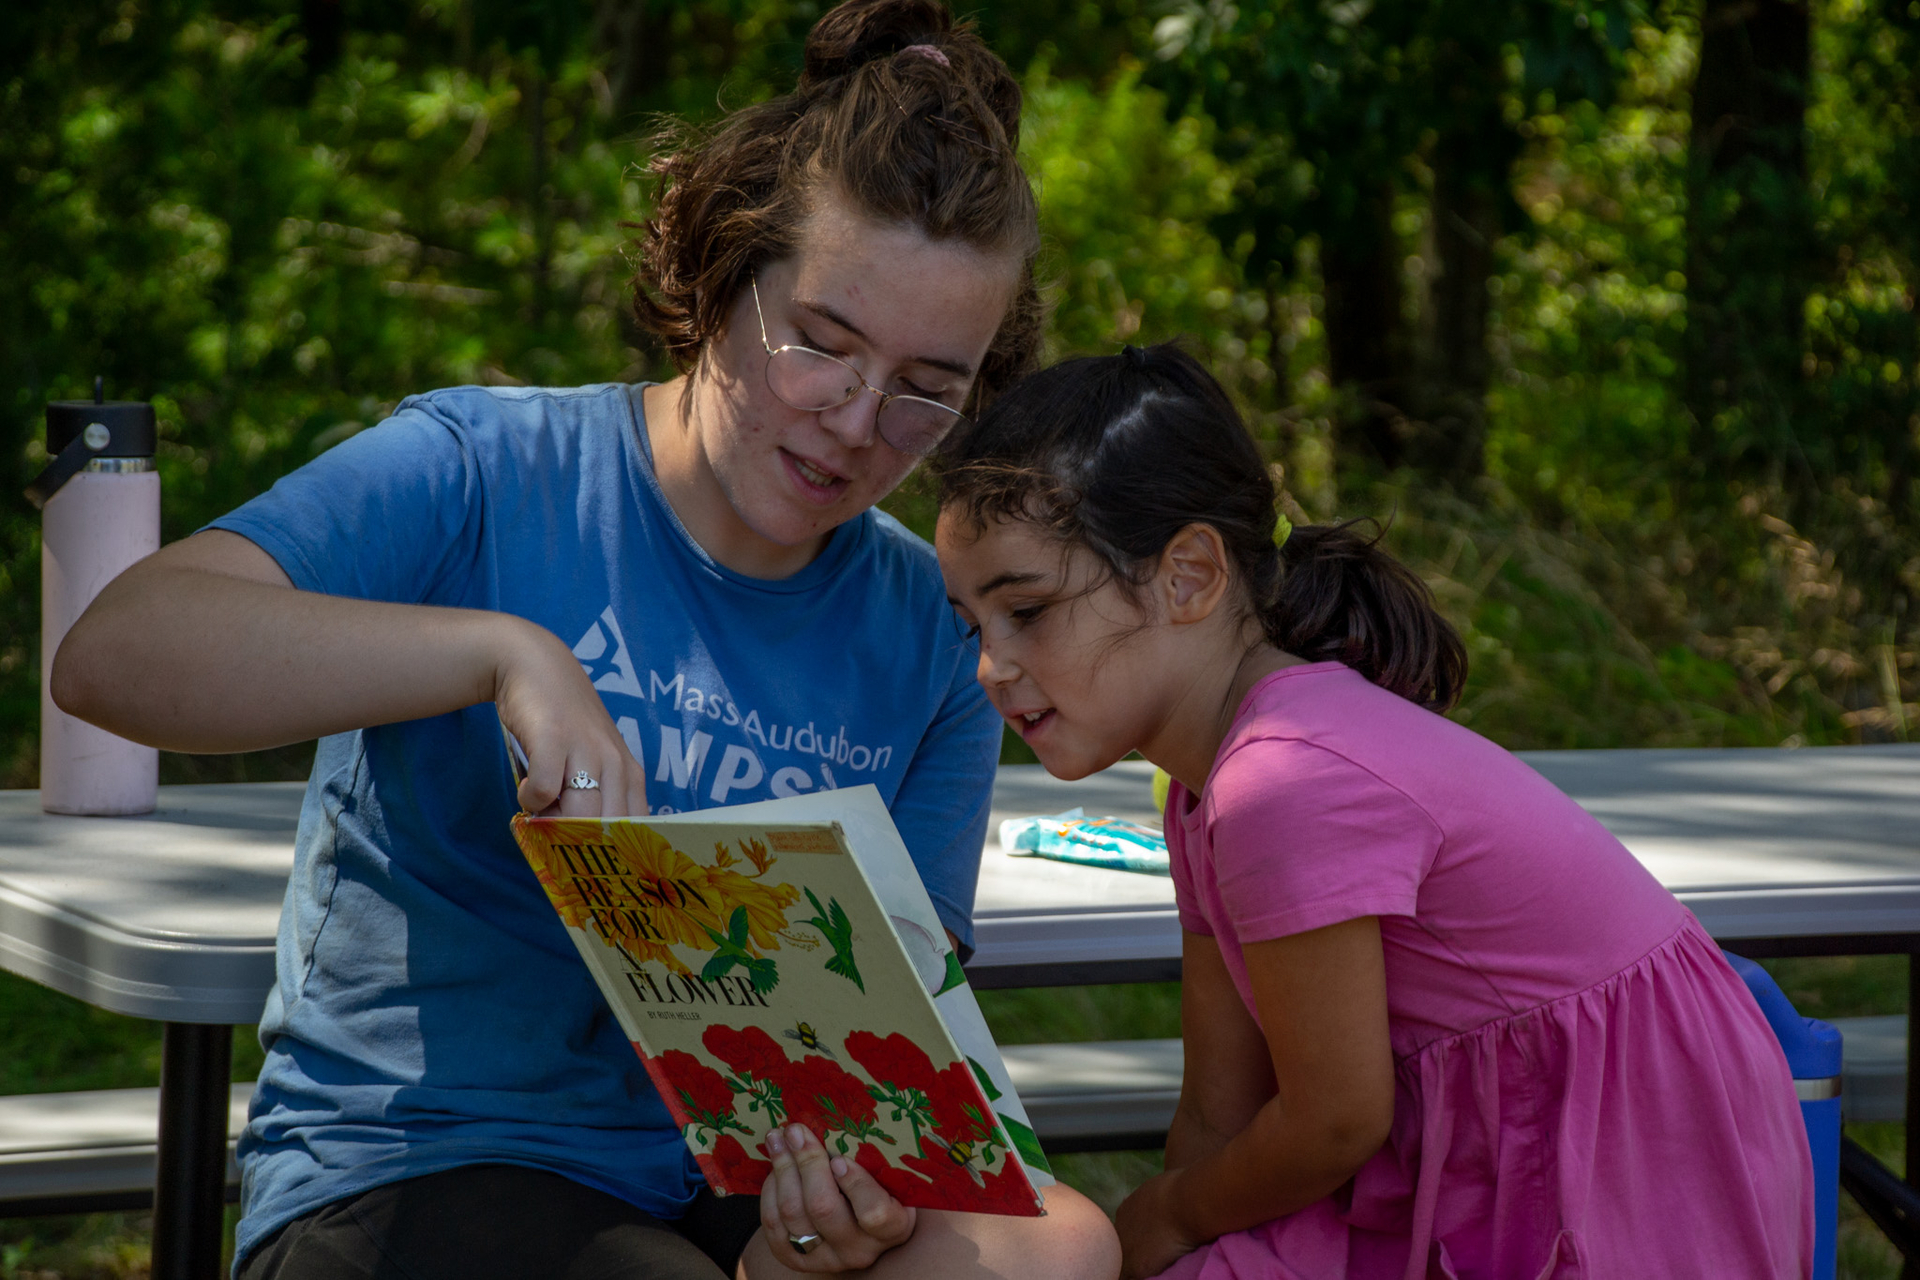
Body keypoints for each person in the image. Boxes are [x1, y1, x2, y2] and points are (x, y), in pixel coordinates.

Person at [51, 3, 1120, 1277]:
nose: (856, 421)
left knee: (1060, 1246)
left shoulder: (931, 627)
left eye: (927, 388)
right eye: (822, 345)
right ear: (727, 274)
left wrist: (823, 1229)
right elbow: (117, 651)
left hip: (734, 1178)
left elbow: (900, 1028)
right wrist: (505, 653)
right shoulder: (486, 470)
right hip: (424, 1164)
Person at [932, 343, 1813, 1279]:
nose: (992, 666)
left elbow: (1338, 1118)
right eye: (970, 624)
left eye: (1026, 610)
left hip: (1615, 1168)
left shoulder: (1284, 783)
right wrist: (1166, 1243)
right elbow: (1219, 1112)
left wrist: (1171, 1211)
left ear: (1189, 576)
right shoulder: (1201, 790)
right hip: (1460, 1149)